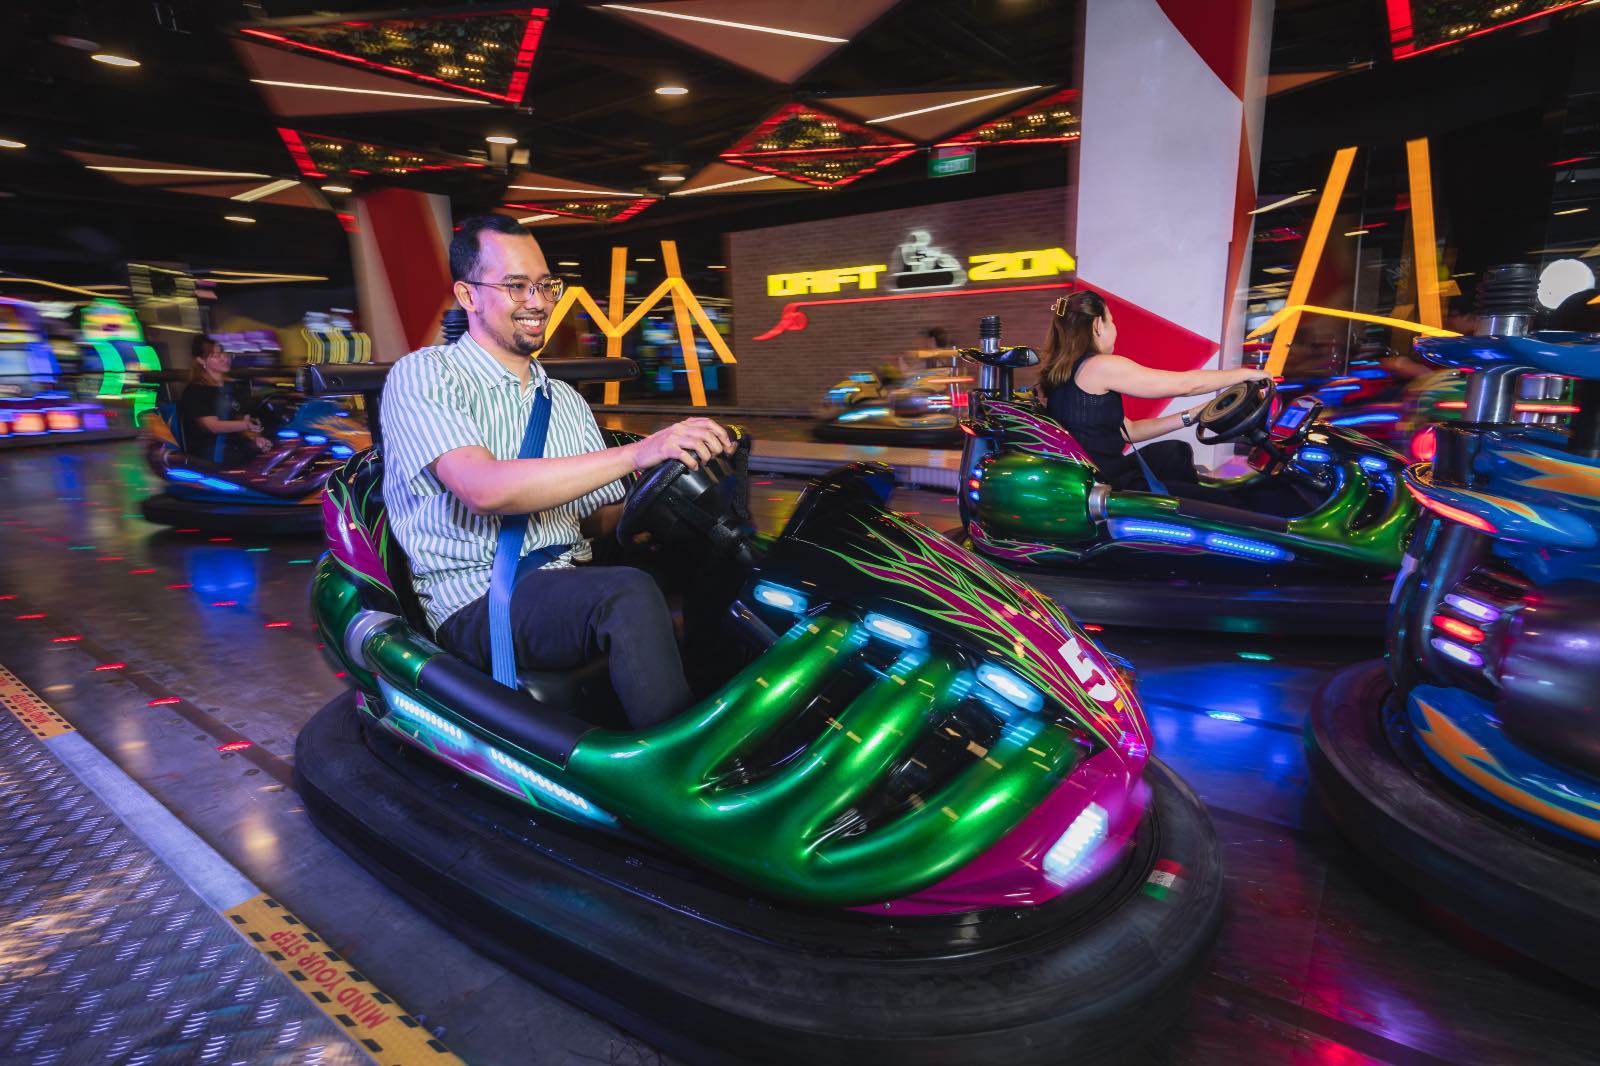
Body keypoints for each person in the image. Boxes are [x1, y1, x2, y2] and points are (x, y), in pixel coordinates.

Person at [380, 215, 732, 730]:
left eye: (546, 284)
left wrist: (674, 508)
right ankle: (677, 775)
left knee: (726, 560)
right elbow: (484, 490)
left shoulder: (562, 399)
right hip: (480, 597)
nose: (539, 301)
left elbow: (589, 520)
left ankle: (734, 728)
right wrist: (638, 454)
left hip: (565, 579)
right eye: (515, 285)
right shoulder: (426, 375)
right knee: (625, 593)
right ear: (468, 295)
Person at [1039, 290, 1272, 505]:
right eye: (1113, 320)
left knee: (1174, 453)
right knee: (1227, 504)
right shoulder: (1098, 366)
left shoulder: (1065, 374)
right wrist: (1246, 373)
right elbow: (1186, 385)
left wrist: (1195, 414)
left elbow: (1129, 430)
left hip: (1099, 479)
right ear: (1098, 325)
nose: (1115, 328)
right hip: (1112, 488)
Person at [177, 335, 268, 463]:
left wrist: (254, 438)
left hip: (236, 447)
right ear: (201, 360)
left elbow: (240, 419)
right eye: (215, 355)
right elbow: (213, 426)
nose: (223, 358)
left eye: (223, 353)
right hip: (211, 454)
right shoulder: (195, 391)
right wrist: (246, 425)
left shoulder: (233, 387)